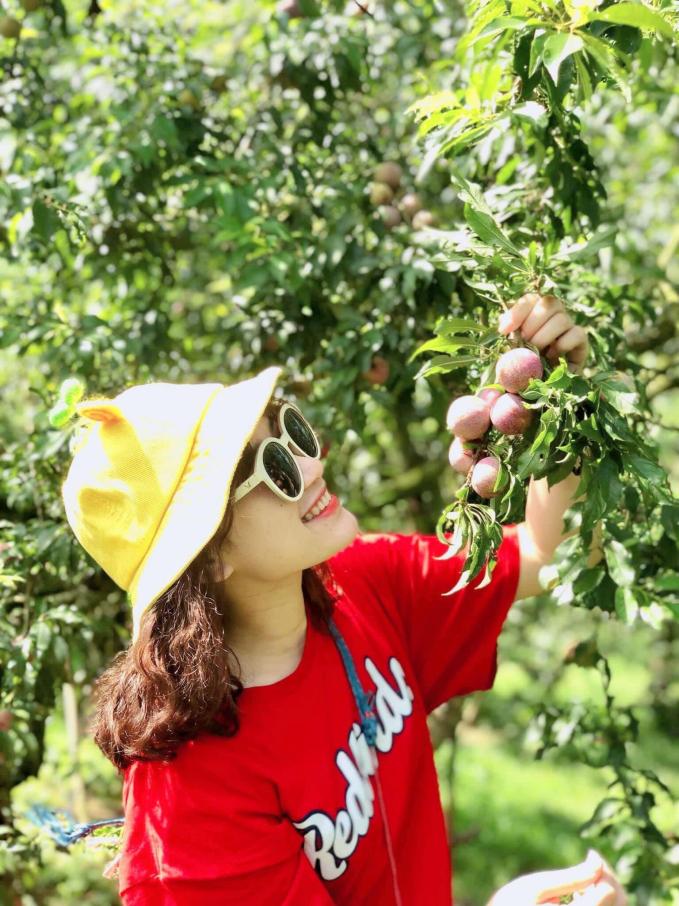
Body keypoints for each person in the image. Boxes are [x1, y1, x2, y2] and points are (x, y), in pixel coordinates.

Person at [59, 293, 624, 904]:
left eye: (292, 431)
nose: (311, 464)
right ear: (209, 556)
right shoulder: (194, 786)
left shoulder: (358, 582)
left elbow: (548, 556)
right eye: (272, 467)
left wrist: (560, 394)